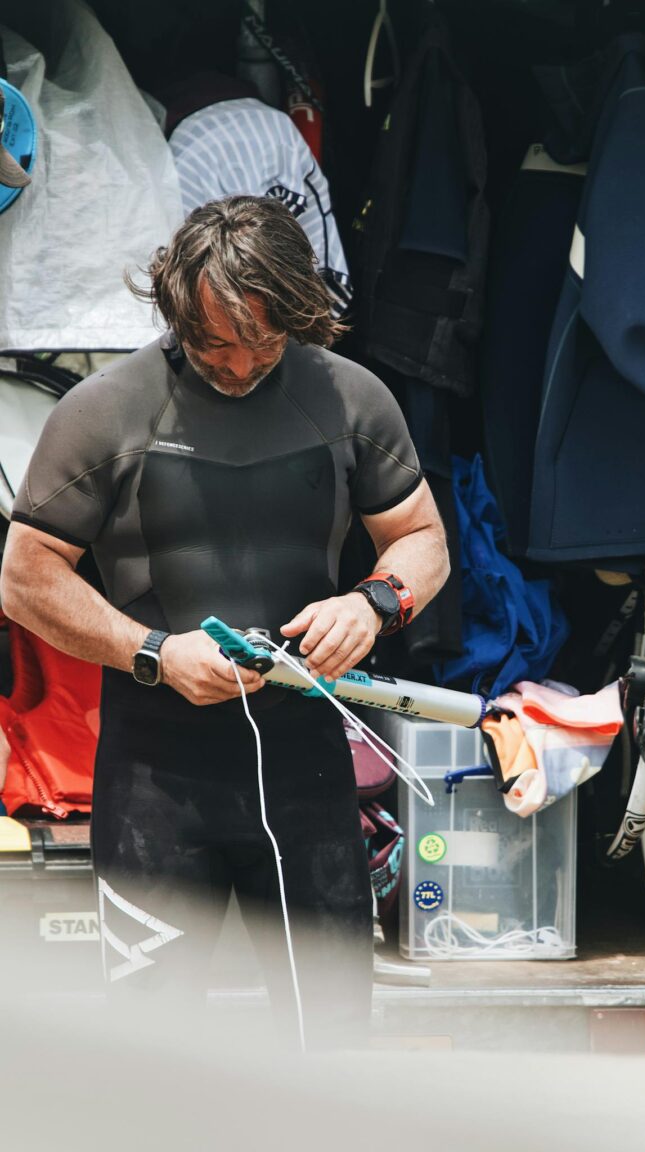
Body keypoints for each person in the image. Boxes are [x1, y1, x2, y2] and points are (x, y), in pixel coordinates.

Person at [0, 195, 449, 1048]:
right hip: (155, 787)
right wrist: (155, 655)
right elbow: (24, 581)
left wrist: (376, 602)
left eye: (264, 344)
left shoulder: (349, 398)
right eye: (215, 345)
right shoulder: (106, 412)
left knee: (335, 1050)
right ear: (176, 309)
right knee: (152, 1061)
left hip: (307, 775)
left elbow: (422, 539)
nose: (240, 366)